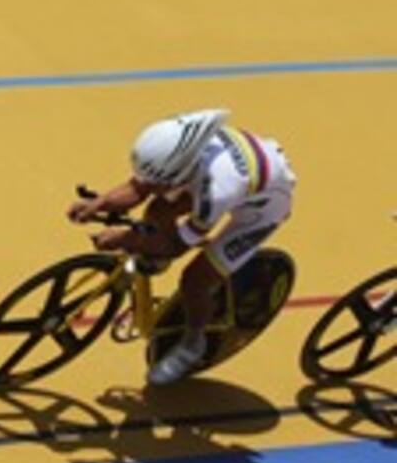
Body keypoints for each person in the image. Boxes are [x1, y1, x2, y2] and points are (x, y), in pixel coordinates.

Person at [67, 108, 295, 385]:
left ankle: (193, 344)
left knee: (195, 281)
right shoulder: (176, 148)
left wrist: (129, 238)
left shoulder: (219, 189)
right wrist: (100, 203)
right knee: (158, 209)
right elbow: (139, 188)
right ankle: (154, 252)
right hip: (234, 176)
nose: (153, 184)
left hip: (260, 209)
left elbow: (178, 245)